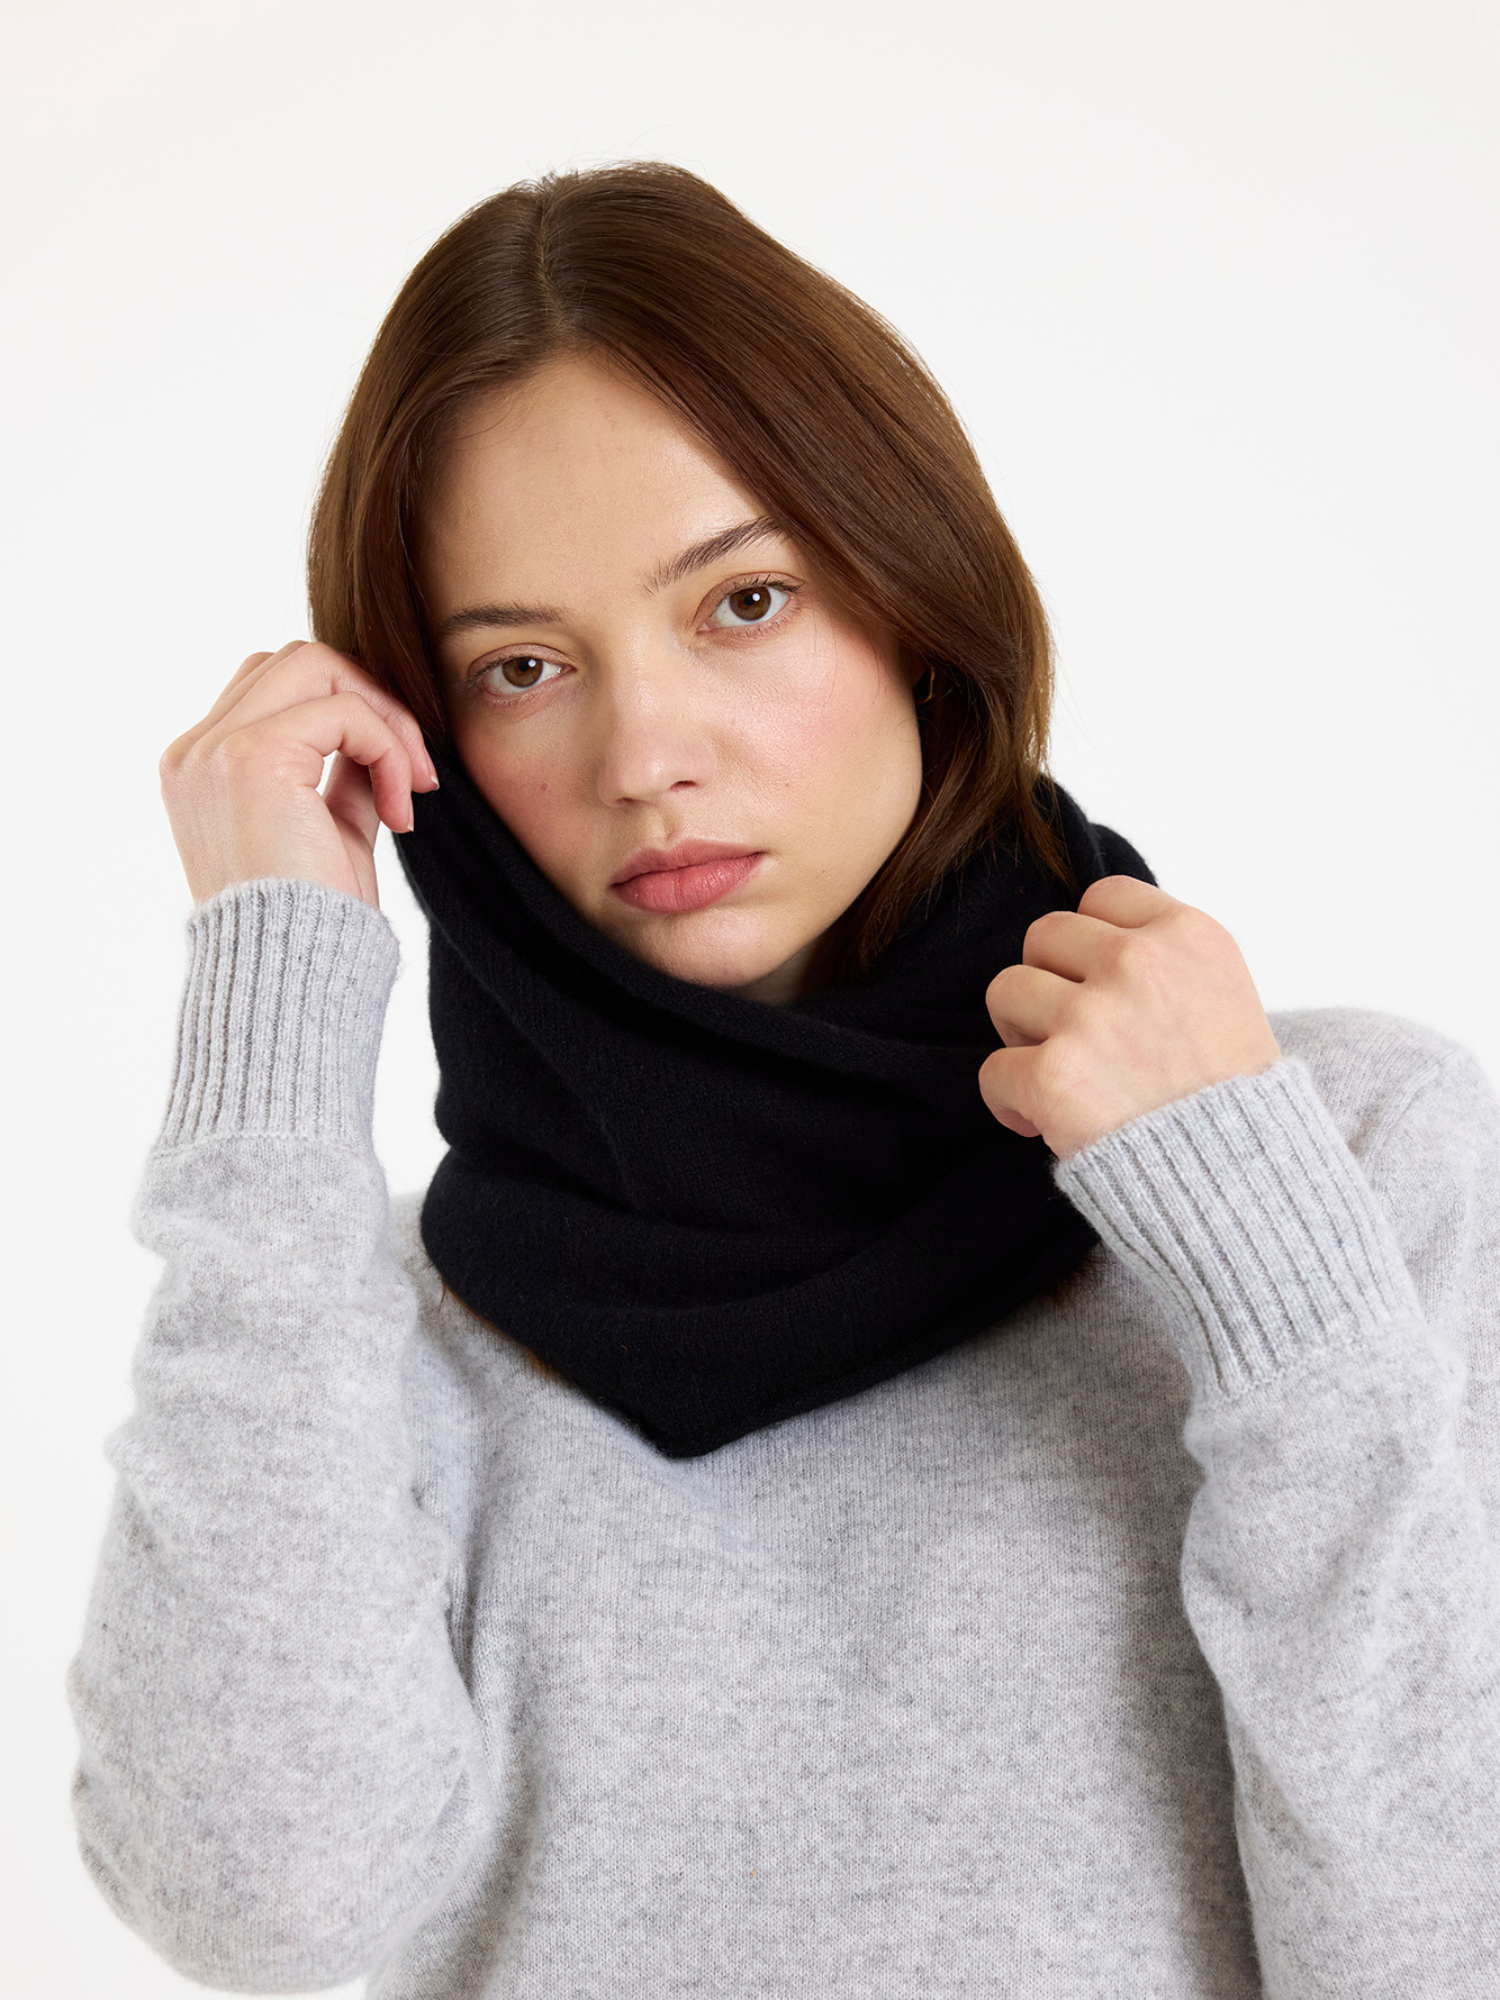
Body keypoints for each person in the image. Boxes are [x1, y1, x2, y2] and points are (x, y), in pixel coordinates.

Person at [69, 163, 1498, 1998]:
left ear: (915, 601)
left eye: (743, 602)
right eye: (521, 665)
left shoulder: (1341, 1162)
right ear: (422, 737)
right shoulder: (369, 1346)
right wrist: (269, 1042)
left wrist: (1256, 1239)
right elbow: (257, 1911)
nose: (647, 751)